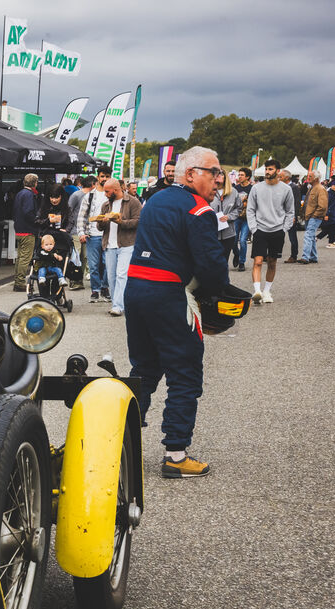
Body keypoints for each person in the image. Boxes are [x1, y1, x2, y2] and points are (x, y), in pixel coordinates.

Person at [123, 145, 227, 479]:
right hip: (168, 293)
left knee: (144, 369)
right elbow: (211, 267)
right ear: (192, 174)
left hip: (135, 289)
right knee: (185, 373)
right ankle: (176, 455)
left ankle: (118, 445)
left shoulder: (156, 200)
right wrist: (221, 298)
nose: (219, 179)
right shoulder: (199, 209)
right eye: (214, 172)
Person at [246, 159, 294, 304]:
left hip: (277, 230)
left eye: (270, 169)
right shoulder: (256, 188)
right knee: (258, 261)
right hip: (260, 230)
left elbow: (290, 211)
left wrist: (284, 228)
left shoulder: (286, 189)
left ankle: (267, 291)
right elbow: (250, 209)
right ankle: (257, 291)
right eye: (266, 169)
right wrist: (254, 228)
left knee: (272, 262)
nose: (267, 172)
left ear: (278, 171)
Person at [97, 178, 141, 317]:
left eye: (107, 191)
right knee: (111, 277)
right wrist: (102, 222)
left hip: (127, 244)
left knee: (122, 275)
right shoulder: (106, 205)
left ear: (116, 190)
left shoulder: (133, 202)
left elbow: (139, 221)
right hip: (109, 244)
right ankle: (118, 303)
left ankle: (118, 306)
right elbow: (99, 227)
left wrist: (121, 222)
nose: (105, 194)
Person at [75, 171, 109, 301]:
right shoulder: (90, 195)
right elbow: (82, 216)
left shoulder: (112, 195)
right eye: (102, 176)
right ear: (98, 178)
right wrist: (81, 233)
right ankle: (95, 290)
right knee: (93, 265)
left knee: (107, 264)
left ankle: (105, 287)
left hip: (108, 235)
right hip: (92, 234)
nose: (104, 179)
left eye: (107, 176)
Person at [12, 174, 40, 294]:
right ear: (35, 183)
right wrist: (37, 221)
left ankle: (17, 280)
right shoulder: (29, 195)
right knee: (25, 258)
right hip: (27, 229)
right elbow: (28, 212)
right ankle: (20, 282)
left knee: (20, 257)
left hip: (19, 228)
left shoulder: (20, 193)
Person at [209, 173, 244, 262]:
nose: (218, 175)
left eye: (220, 174)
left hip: (228, 233)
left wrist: (229, 217)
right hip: (212, 233)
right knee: (213, 260)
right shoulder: (209, 191)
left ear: (225, 177)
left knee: (224, 261)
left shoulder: (233, 192)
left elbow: (239, 208)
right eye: (216, 173)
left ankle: (237, 255)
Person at [300, 171, 326, 264]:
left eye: (310, 176)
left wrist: (315, 215)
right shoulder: (312, 188)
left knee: (308, 235)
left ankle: (305, 257)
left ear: (316, 178)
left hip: (314, 216)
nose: (308, 178)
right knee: (311, 236)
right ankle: (313, 256)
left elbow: (323, 206)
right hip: (310, 216)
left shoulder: (320, 189)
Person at [280, 169, 302, 263]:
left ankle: (294, 255)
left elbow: (297, 203)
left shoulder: (294, 187)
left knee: (292, 236)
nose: (279, 178)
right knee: (278, 235)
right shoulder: (280, 187)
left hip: (290, 215)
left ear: (286, 178)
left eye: (281, 176)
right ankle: (274, 254)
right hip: (280, 215)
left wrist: (294, 216)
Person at [232, 170, 252, 269]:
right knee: (234, 241)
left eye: (242, 175)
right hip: (236, 217)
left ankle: (241, 262)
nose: (239, 176)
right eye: (239, 175)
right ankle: (237, 254)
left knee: (243, 240)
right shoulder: (235, 188)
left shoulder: (252, 189)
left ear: (247, 177)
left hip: (247, 218)